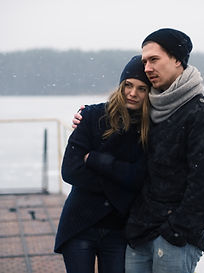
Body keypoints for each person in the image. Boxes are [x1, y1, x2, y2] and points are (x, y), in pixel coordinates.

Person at [73, 28, 204, 273]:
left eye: (154, 59)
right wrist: (85, 116)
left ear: (178, 59)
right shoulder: (151, 108)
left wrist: (175, 231)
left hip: (174, 237)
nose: (147, 68)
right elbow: (113, 119)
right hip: (140, 232)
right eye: (144, 61)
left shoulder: (203, 116)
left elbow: (202, 185)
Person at [55, 55, 151, 273]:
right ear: (121, 85)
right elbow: (70, 170)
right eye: (128, 85)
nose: (133, 93)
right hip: (79, 224)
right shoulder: (92, 116)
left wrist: (97, 160)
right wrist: (120, 184)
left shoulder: (149, 129)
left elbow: (139, 177)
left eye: (141, 88)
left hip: (117, 230)